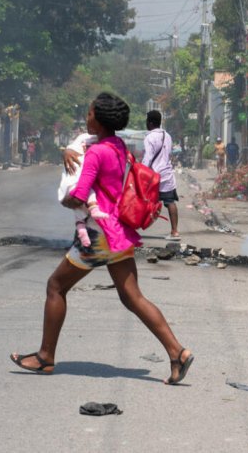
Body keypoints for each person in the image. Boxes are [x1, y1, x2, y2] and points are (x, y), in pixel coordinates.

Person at [10, 93, 193, 385]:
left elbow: (80, 195)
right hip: (118, 231)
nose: (86, 118)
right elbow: (79, 145)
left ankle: (45, 357)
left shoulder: (96, 153)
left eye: (89, 114)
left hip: (98, 235)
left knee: (55, 286)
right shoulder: (117, 146)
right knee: (132, 297)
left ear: (100, 118)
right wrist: (64, 152)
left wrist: (66, 198)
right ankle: (177, 352)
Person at [57, 133, 109, 248]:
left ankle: (81, 238)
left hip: (86, 192)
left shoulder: (108, 144)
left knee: (80, 215)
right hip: (82, 191)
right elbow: (71, 149)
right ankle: (82, 243)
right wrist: (67, 151)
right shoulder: (84, 142)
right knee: (85, 202)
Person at [143, 110, 181, 241]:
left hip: (154, 175)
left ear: (151, 123)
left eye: (147, 121)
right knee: (170, 202)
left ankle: (133, 227)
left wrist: (141, 171)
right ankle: (175, 231)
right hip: (167, 174)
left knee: (142, 200)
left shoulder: (149, 137)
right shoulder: (168, 136)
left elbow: (148, 158)